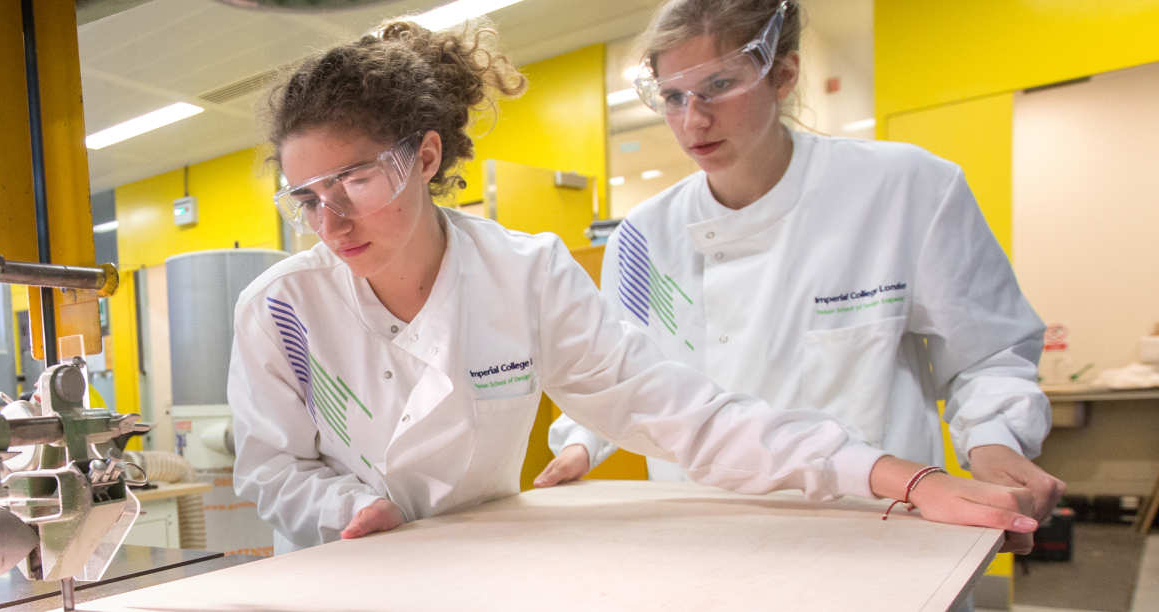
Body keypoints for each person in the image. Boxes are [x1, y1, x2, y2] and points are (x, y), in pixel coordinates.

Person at [229, 20, 1040, 553]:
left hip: (477, 565)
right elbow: (270, 470)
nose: (331, 221)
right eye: (307, 198)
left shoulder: (523, 274)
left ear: (428, 157)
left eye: (356, 180)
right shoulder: (280, 308)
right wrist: (350, 510)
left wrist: (911, 479)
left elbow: (687, 413)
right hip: (344, 571)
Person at [536, 0, 1064, 554]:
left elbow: (989, 352)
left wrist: (994, 440)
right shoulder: (643, 237)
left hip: (879, 527)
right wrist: (581, 440)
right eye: (673, 97)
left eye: (719, 85)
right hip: (702, 529)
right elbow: (624, 368)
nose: (693, 121)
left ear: (783, 74)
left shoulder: (905, 188)